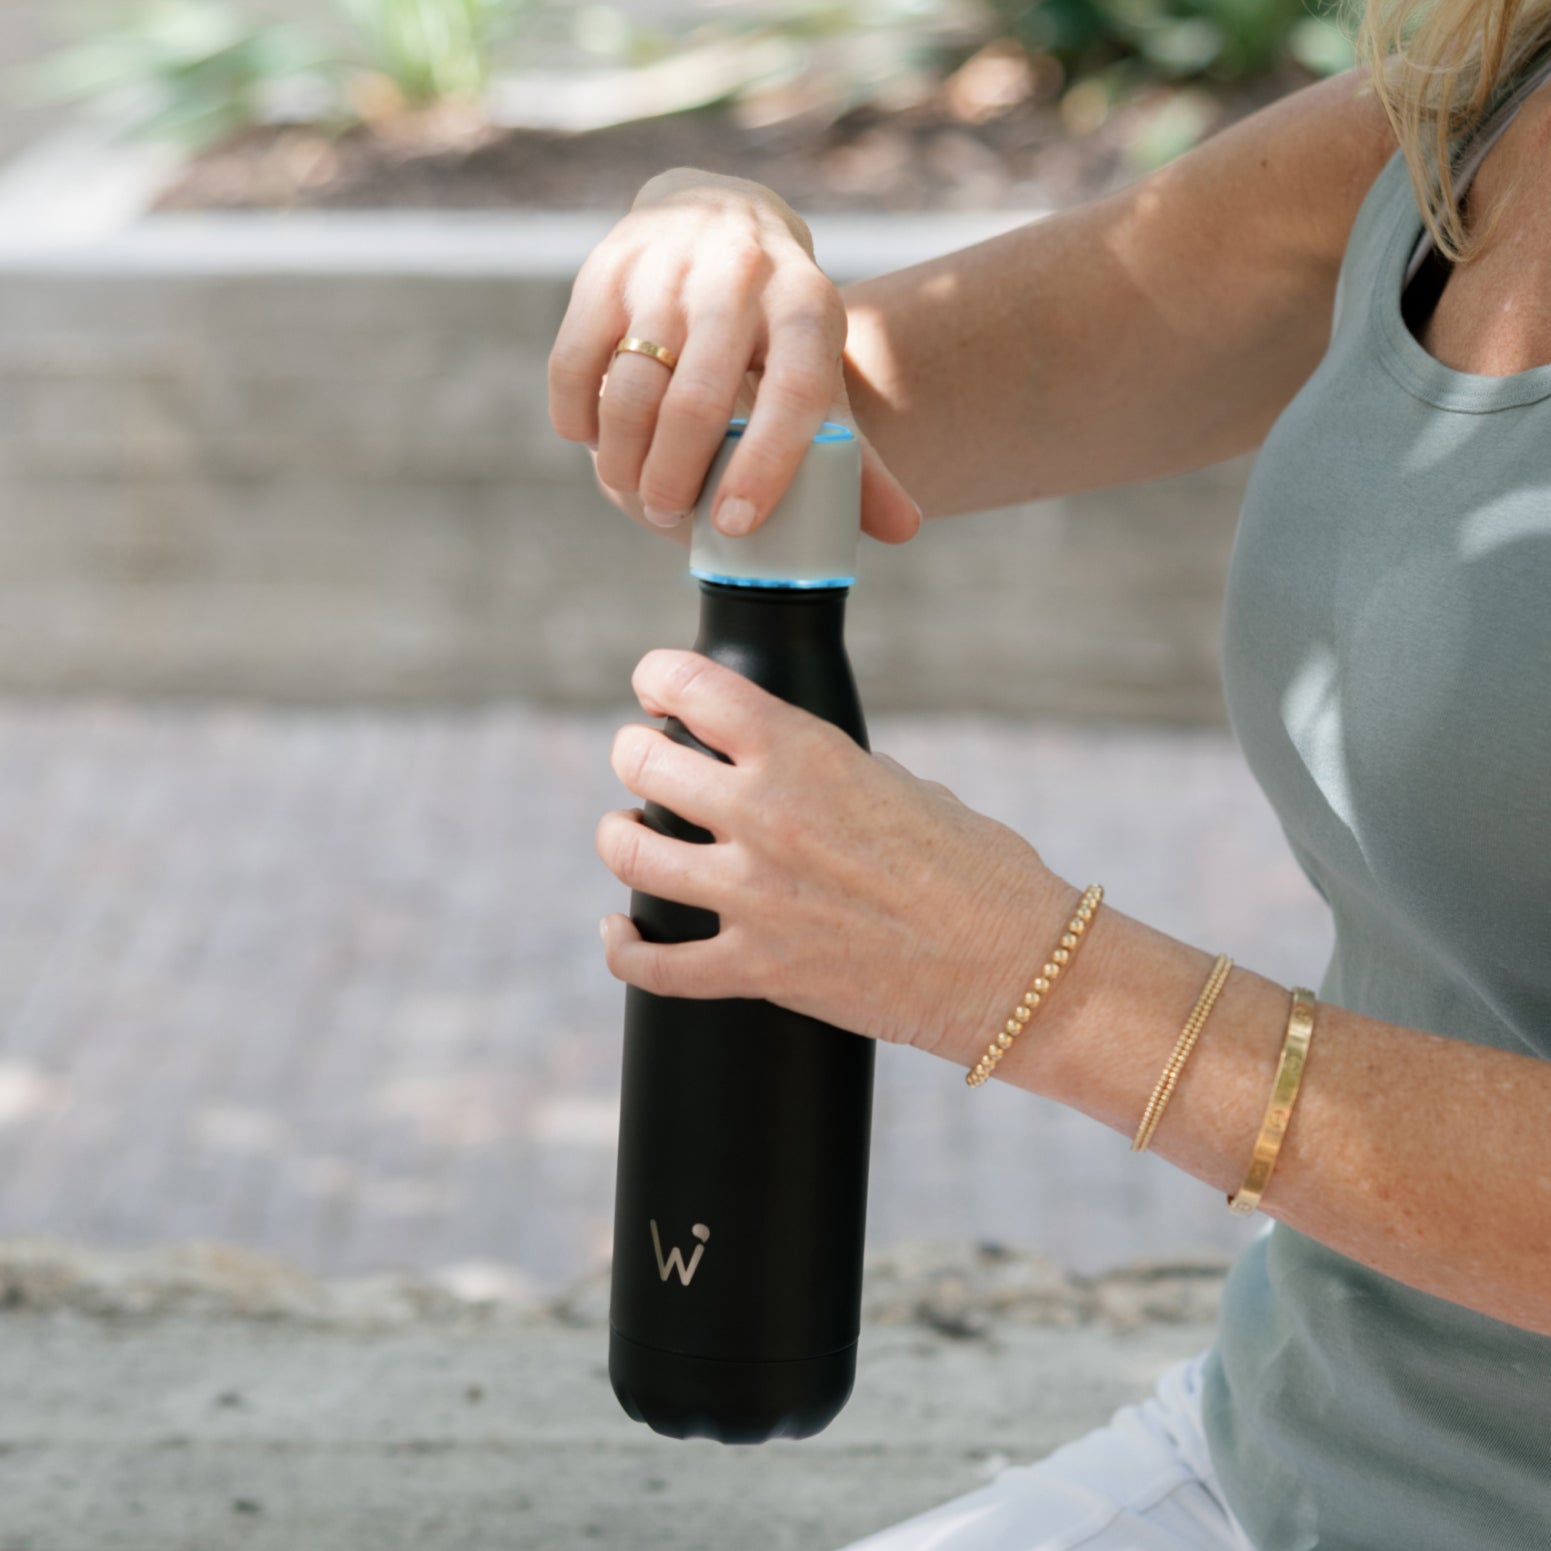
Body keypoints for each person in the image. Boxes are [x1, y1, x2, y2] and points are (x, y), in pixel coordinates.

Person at [548, 0, 1551, 1543]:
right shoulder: (1474, 117)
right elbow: (840, 412)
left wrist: (1039, 980)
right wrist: (711, 250)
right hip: (1292, 1459)